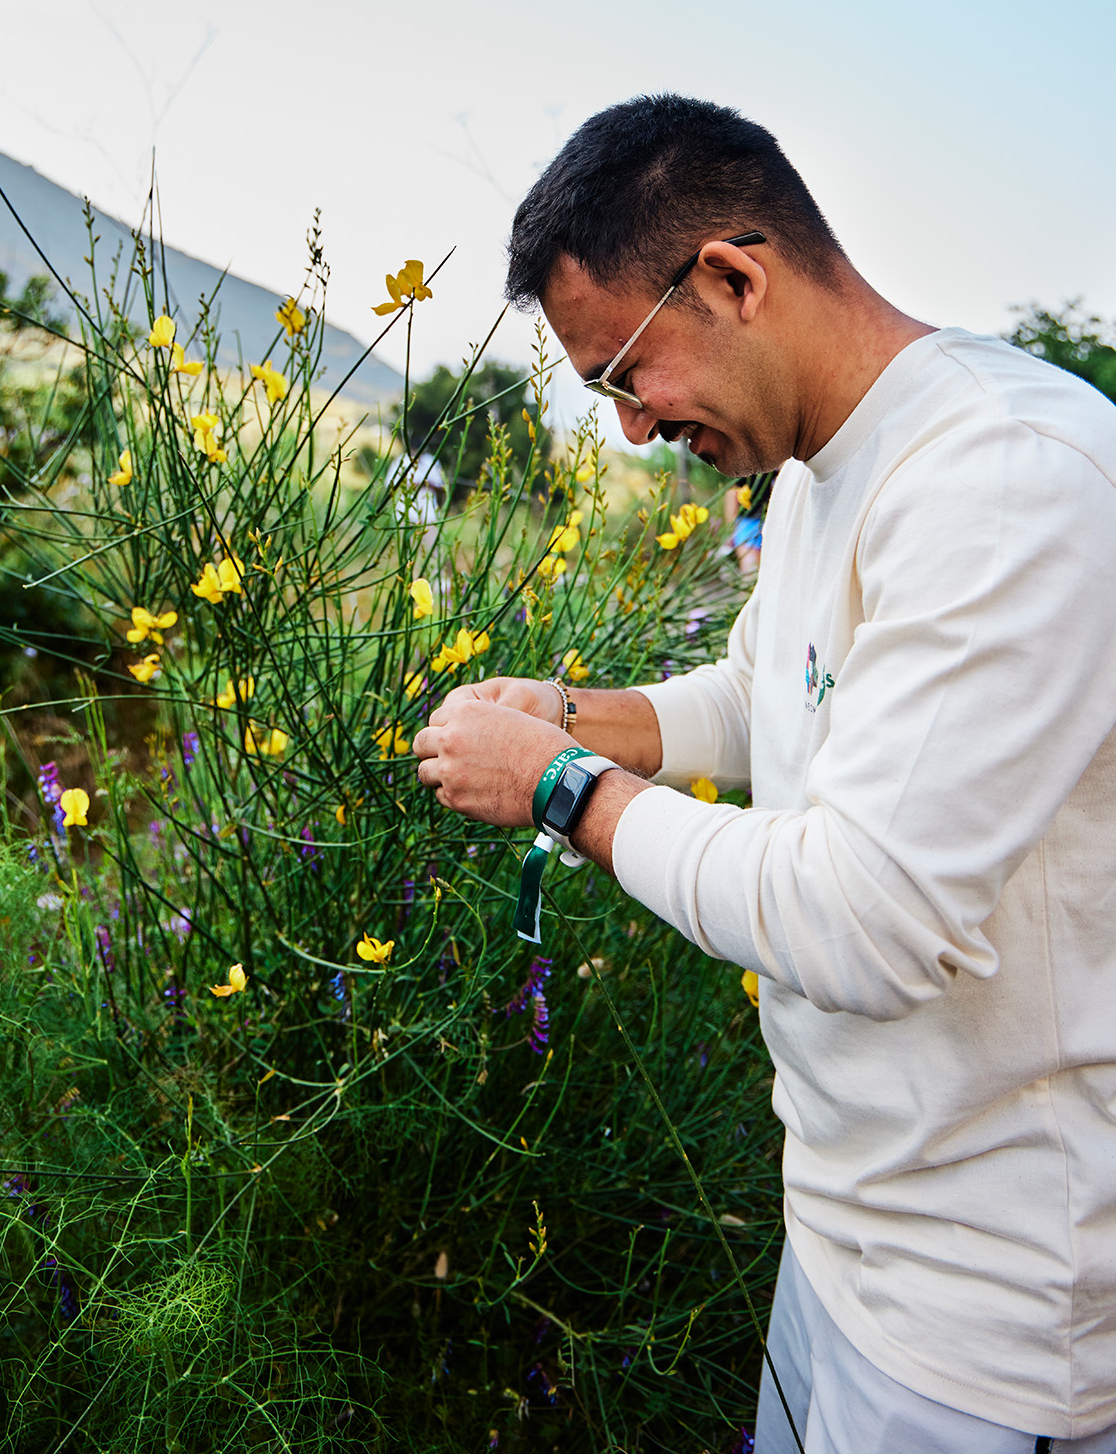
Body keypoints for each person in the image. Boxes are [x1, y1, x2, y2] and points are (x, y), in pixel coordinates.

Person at [411, 95, 1116, 1452]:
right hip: (850, 1220)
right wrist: (580, 712)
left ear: (734, 276)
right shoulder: (813, 475)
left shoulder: (1008, 478)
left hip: (994, 1301)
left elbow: (864, 918)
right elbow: (764, 695)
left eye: (624, 374)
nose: (627, 429)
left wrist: (561, 786)